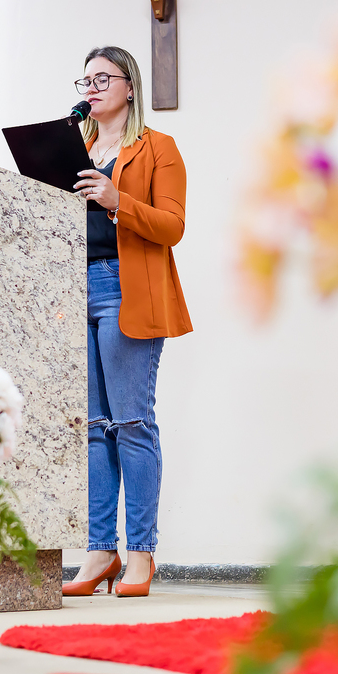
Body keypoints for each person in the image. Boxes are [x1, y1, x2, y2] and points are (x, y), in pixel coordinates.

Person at [63, 46, 192, 598]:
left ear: (130, 86)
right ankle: (99, 552)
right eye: (84, 79)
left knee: (132, 422)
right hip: (76, 287)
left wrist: (118, 201)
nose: (90, 88)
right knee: (93, 428)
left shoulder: (158, 149)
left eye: (101, 78)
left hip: (126, 287)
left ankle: (140, 554)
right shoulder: (78, 147)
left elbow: (173, 225)